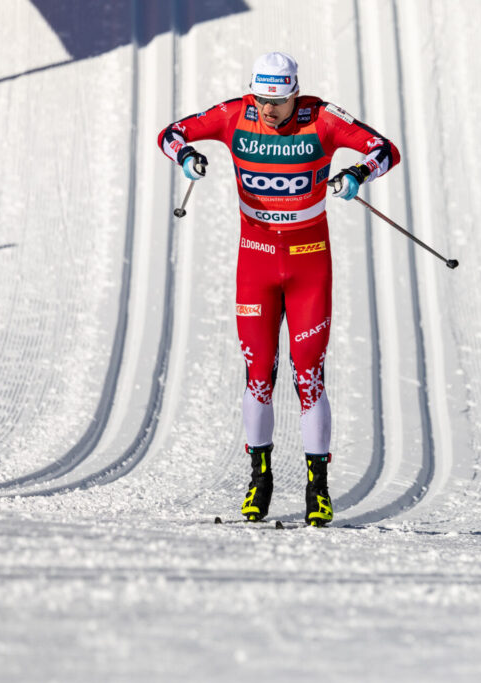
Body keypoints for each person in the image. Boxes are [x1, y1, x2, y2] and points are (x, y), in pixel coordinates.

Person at [157, 51, 400, 526]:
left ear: (295, 93)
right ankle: (259, 481)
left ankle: (318, 489)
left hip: (309, 264)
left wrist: (357, 174)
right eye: (264, 99)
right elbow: (171, 134)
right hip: (257, 264)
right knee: (258, 375)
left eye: (280, 101)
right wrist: (186, 155)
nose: (270, 111)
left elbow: (384, 149)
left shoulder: (323, 117)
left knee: (308, 376)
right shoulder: (235, 114)